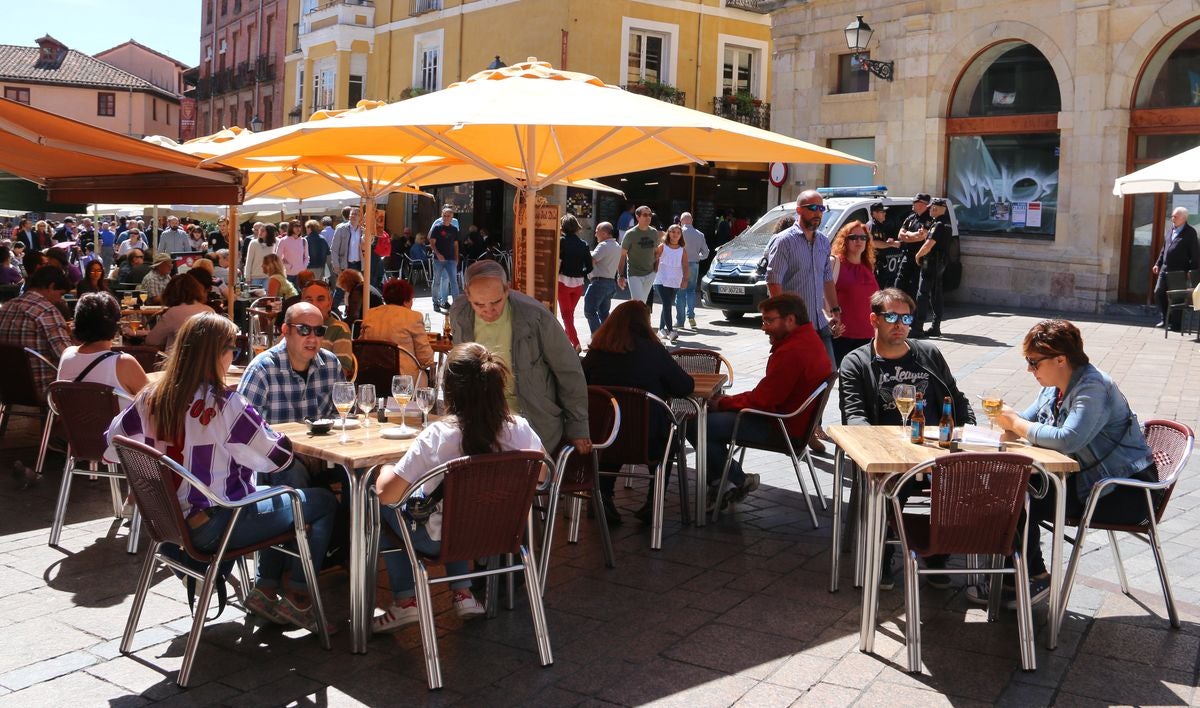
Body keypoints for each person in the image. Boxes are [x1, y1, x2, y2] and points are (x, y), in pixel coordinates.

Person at [104, 313, 337, 632]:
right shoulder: (227, 405)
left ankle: (265, 589)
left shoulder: (150, 398)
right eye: (234, 350)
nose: (234, 357)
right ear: (217, 354)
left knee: (271, 494)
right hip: (218, 525)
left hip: (166, 524)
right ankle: (296, 593)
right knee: (321, 502)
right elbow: (278, 458)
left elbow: (112, 444)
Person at [372, 343, 541, 631]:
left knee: (376, 500)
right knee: (461, 510)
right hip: (500, 535)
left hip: (441, 539)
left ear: (449, 388)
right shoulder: (520, 428)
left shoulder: (439, 435)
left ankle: (405, 602)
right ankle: (462, 593)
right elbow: (542, 475)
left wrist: (383, 470)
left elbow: (389, 493)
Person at [988, 319, 1156, 606]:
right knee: (1003, 487)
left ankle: (1035, 577)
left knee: (1016, 498)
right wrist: (1010, 422)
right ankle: (1012, 576)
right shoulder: (1053, 386)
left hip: (1123, 491)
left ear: (1061, 359)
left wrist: (1015, 423)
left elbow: (1068, 439)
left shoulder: (1094, 387)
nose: (1029, 369)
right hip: (1086, 481)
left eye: (1033, 362)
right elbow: (1026, 422)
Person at [838, 288, 975, 590]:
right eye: (891, 317)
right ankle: (884, 552)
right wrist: (877, 447)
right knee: (890, 483)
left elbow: (955, 396)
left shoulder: (929, 354)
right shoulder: (856, 362)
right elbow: (854, 415)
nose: (900, 324)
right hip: (887, 458)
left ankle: (938, 551)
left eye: (906, 318)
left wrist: (969, 430)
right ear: (873, 319)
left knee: (974, 481)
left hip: (935, 452)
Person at [694, 293, 831, 511]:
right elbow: (767, 395)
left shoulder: (792, 351)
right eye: (763, 320)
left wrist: (723, 403)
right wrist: (727, 402)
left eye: (769, 320)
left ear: (790, 320)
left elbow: (764, 400)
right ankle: (725, 483)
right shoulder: (809, 339)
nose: (764, 327)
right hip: (791, 422)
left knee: (698, 425)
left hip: (780, 426)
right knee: (706, 421)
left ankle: (734, 481)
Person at [449, 260, 591, 454]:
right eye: (479, 304)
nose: (488, 311)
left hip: (534, 422)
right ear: (467, 294)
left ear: (507, 289)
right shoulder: (459, 312)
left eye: (496, 302)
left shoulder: (535, 316)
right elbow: (459, 368)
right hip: (481, 422)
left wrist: (578, 426)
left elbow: (568, 371)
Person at [582, 301, 692, 525]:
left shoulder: (596, 352)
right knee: (665, 438)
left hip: (603, 439)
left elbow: (579, 387)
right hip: (648, 440)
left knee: (612, 429)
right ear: (645, 323)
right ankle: (654, 500)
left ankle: (603, 496)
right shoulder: (654, 351)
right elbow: (684, 387)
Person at [765, 189, 843, 364]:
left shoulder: (823, 241)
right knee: (795, 378)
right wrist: (783, 319)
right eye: (812, 208)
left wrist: (835, 311)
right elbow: (773, 281)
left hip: (820, 323)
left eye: (821, 209)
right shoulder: (784, 241)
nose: (817, 213)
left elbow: (827, 279)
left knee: (828, 373)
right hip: (795, 325)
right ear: (799, 210)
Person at [238, 302, 344, 425]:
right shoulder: (262, 369)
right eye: (304, 329)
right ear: (286, 330)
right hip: (277, 444)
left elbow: (344, 417)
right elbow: (243, 427)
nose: (312, 338)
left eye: (319, 331)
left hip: (322, 444)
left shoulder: (331, 364)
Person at [0, 266, 74, 399]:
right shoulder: (46, 311)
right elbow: (67, 357)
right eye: (60, 294)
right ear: (51, 287)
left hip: (7, 387)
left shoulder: (6, 307)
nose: (60, 300)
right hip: (44, 388)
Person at [58, 292, 148, 397]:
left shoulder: (67, 354)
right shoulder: (124, 363)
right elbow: (154, 403)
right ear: (115, 324)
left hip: (72, 413)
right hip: (114, 413)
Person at [361, 279, 435, 381]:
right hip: (403, 380)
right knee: (430, 376)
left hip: (372, 376)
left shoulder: (371, 314)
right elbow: (426, 359)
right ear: (406, 300)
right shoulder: (413, 317)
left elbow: (362, 346)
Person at [830, 221, 879, 365]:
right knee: (829, 377)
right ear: (844, 240)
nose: (859, 241)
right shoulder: (835, 263)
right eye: (853, 237)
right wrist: (829, 319)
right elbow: (822, 296)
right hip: (841, 334)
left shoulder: (868, 266)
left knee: (860, 381)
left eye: (863, 238)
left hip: (867, 335)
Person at [1152, 206, 1199, 329]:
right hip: (1165, 268)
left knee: (1177, 297)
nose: (1172, 218)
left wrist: (1192, 270)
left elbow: (1195, 254)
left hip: (1179, 270)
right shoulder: (1170, 230)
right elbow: (1164, 249)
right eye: (1172, 216)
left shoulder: (1190, 233)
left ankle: (1176, 324)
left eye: (1175, 216)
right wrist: (1158, 263)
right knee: (1159, 292)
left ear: (1183, 218)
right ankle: (1165, 319)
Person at [911, 198, 952, 338]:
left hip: (931, 262)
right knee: (936, 294)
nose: (930, 210)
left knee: (922, 294)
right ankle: (936, 326)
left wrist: (918, 255)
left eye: (931, 207)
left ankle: (917, 327)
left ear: (936, 208)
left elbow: (929, 244)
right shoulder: (947, 223)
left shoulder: (939, 224)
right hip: (941, 263)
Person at [145, 275, 214, 349]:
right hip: (206, 358)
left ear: (170, 293)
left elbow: (151, 340)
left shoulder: (173, 313)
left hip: (178, 358)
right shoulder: (210, 310)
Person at [300, 280, 353, 373]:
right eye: (309, 300)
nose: (314, 305)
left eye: (320, 299)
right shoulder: (294, 328)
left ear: (329, 303)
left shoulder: (339, 329)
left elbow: (342, 371)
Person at [557, 214, 592, 350]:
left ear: (563, 227)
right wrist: (579, 273)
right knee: (569, 314)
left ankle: (576, 343)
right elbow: (589, 267)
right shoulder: (584, 245)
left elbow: (557, 261)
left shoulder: (561, 242)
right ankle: (566, 341)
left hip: (562, 282)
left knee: (566, 316)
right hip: (578, 285)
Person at [894, 193, 933, 300]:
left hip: (920, 257)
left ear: (923, 204)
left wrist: (907, 235)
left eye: (916, 202)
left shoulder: (929, 219)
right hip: (907, 254)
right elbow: (900, 235)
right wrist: (911, 235)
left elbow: (921, 237)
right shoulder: (911, 217)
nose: (913, 204)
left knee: (915, 284)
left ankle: (913, 311)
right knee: (900, 280)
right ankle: (897, 303)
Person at [584, 221, 621, 334]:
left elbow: (592, 259)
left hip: (599, 283)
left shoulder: (603, 245)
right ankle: (609, 338)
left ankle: (597, 339)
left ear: (604, 233)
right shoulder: (617, 246)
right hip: (610, 284)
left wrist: (583, 252)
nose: (595, 235)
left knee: (590, 311)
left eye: (597, 232)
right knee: (604, 313)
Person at [617, 205, 659, 303]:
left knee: (642, 303)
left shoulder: (654, 232)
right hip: (634, 273)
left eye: (650, 215)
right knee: (638, 302)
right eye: (645, 215)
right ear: (637, 217)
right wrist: (620, 276)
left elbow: (656, 252)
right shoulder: (630, 234)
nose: (648, 217)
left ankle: (638, 318)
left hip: (650, 273)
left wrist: (655, 270)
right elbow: (622, 256)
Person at [676, 212, 709, 330]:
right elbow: (706, 252)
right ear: (692, 220)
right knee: (691, 291)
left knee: (680, 293)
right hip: (694, 265)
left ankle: (680, 321)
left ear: (681, 221)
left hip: (680, 265)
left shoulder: (678, 232)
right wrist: (698, 257)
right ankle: (691, 316)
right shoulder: (700, 234)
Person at [653, 224, 687, 342]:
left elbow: (685, 266)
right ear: (668, 233)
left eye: (678, 232)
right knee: (667, 303)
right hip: (661, 279)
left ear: (681, 235)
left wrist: (685, 279)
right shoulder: (662, 246)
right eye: (673, 231)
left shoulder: (682, 250)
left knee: (667, 305)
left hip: (675, 280)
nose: (675, 234)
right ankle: (671, 331)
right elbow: (654, 259)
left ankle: (661, 329)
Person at [429, 207, 460, 312]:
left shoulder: (454, 229)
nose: (446, 218)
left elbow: (456, 244)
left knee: (454, 282)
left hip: (451, 259)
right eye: (444, 215)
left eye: (448, 216)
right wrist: (438, 254)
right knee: (437, 281)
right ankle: (436, 302)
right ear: (442, 216)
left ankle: (456, 304)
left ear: (452, 217)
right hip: (439, 260)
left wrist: (456, 257)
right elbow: (432, 243)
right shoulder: (437, 228)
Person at [866, 202, 899, 286]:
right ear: (874, 213)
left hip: (879, 262)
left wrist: (887, 241)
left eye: (884, 211)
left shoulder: (879, 225)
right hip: (874, 262)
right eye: (882, 212)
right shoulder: (872, 225)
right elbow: (873, 243)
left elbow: (879, 240)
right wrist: (891, 244)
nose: (885, 213)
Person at [330, 207, 364, 287]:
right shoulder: (341, 229)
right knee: (341, 289)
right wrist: (336, 265)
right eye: (352, 214)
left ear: (360, 217)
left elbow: (368, 245)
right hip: (345, 265)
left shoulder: (363, 230)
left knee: (356, 289)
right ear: (349, 216)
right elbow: (334, 249)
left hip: (359, 265)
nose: (354, 216)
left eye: (357, 214)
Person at [277, 220, 309, 286]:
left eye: (299, 226)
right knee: (289, 295)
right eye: (296, 226)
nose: (298, 228)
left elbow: (307, 257)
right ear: (291, 227)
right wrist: (288, 266)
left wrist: (303, 267)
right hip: (288, 274)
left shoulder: (303, 240)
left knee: (300, 295)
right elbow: (278, 257)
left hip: (300, 274)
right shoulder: (283, 240)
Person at [245, 223, 277, 289]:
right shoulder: (253, 243)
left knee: (267, 298)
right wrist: (247, 277)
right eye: (260, 230)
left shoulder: (276, 242)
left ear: (269, 233)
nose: (260, 232)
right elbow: (249, 261)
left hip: (269, 276)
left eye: (263, 231)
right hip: (255, 277)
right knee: (254, 298)